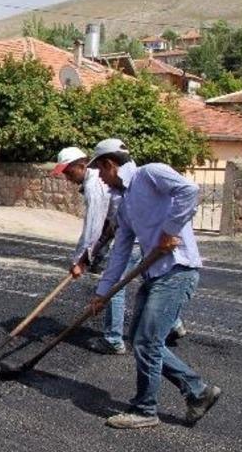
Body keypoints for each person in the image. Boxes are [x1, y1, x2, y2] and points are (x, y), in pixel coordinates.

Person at [86, 140, 220, 429]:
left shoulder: (150, 174)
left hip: (177, 270)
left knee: (148, 341)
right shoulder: (125, 206)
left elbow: (189, 191)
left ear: (110, 164)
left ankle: (145, 410)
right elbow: (120, 253)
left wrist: (171, 230)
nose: (99, 177)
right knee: (141, 340)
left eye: (99, 169)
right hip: (154, 275)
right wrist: (101, 294)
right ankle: (198, 391)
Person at [53, 144, 185, 355]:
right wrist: (91, 254)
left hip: (129, 240)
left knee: (114, 285)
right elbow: (107, 224)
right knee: (150, 282)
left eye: (69, 172)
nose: (68, 178)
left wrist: (80, 259)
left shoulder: (96, 184)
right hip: (129, 235)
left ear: (80, 165)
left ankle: (113, 339)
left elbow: (93, 227)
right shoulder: (101, 179)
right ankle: (173, 323)